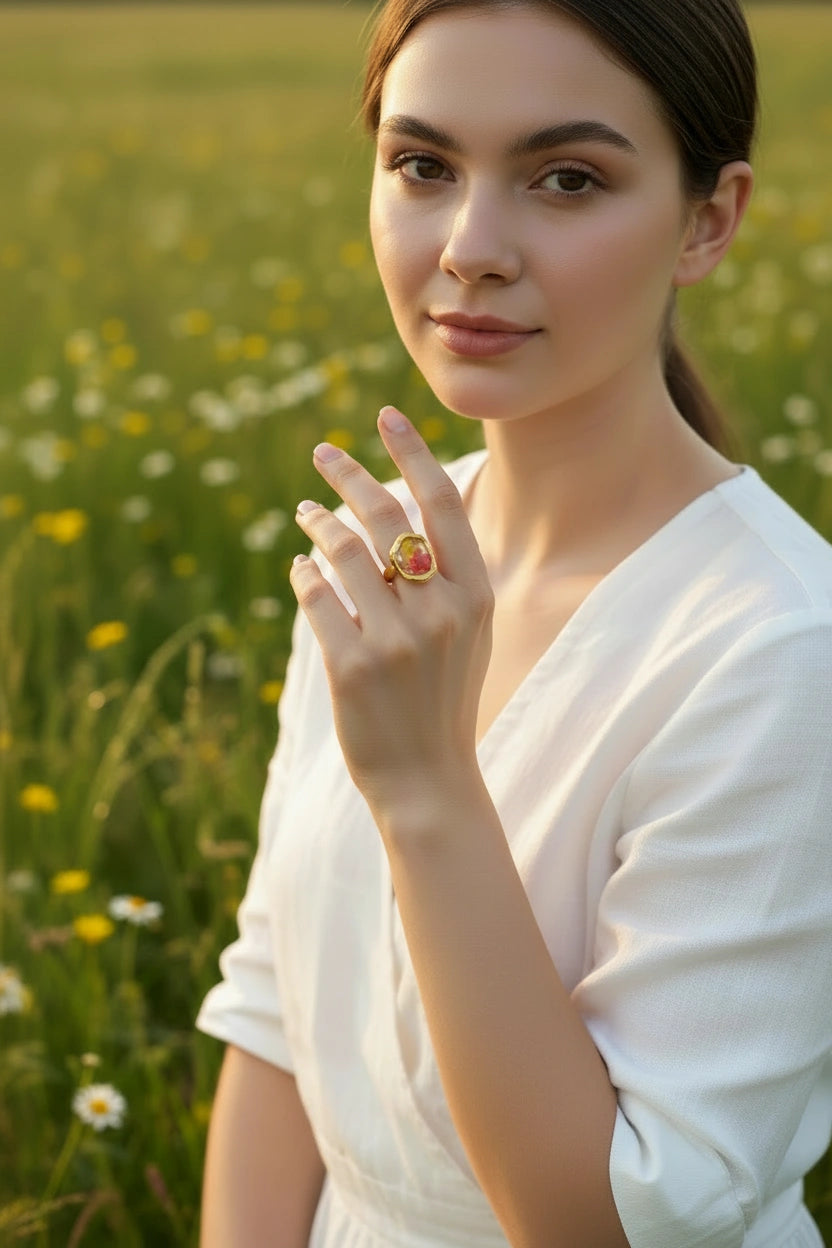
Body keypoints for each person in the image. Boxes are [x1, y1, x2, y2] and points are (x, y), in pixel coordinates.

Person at [196, 1, 832, 1244]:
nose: (472, 246)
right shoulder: (392, 561)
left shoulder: (775, 652)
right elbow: (273, 1017)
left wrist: (426, 784)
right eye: (423, 166)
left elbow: (609, 1222)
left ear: (708, 220)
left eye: (566, 179)